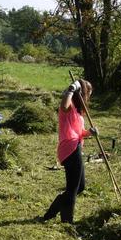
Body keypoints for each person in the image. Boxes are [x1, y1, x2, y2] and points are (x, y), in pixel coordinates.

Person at [42, 79, 97, 224]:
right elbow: (64, 105)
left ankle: (49, 214)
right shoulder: (68, 106)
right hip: (70, 148)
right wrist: (71, 89)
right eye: (88, 94)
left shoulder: (78, 112)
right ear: (82, 94)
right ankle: (67, 222)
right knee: (72, 188)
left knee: (80, 187)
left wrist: (89, 133)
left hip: (75, 145)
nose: (89, 98)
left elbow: (78, 132)